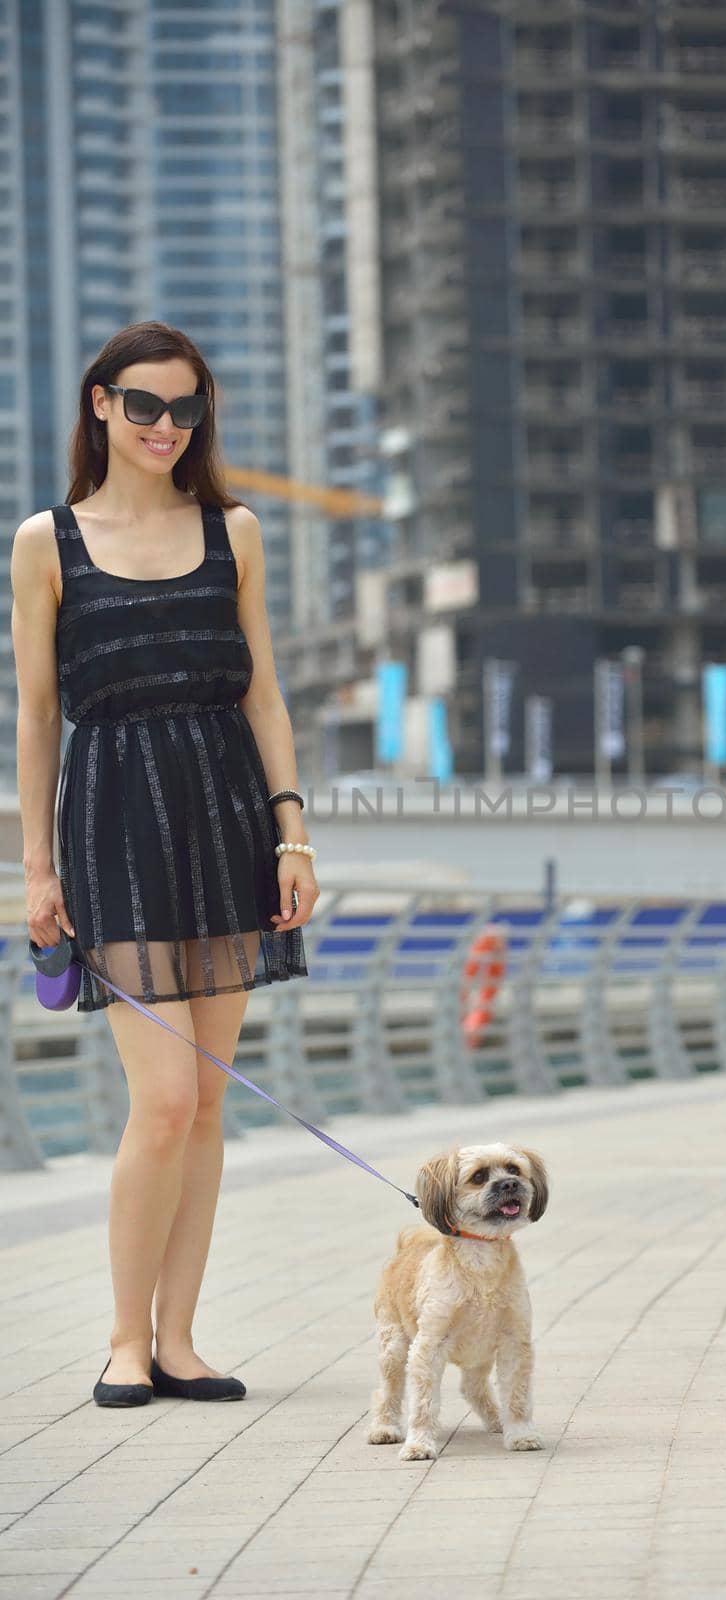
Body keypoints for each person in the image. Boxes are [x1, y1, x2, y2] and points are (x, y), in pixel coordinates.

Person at [11, 321, 319, 1407]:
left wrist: (292, 832)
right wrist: (36, 869)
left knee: (204, 1105)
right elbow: (39, 716)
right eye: (144, 406)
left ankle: (181, 1339)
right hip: (112, 821)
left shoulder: (234, 528)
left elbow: (264, 691)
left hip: (227, 815)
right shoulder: (46, 541)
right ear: (100, 404)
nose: (165, 428)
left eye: (187, 410)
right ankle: (122, 1341)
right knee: (164, 1095)